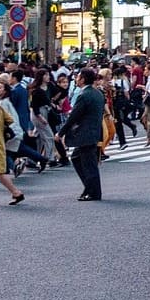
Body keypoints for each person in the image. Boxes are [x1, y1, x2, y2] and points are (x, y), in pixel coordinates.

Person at [60, 70, 107, 202]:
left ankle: (93, 191)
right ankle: (89, 188)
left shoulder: (85, 95)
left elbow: (74, 116)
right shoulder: (97, 93)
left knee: (88, 163)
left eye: (78, 77)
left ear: (83, 79)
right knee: (77, 158)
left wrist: (61, 132)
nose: (76, 79)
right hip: (94, 131)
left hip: (85, 133)